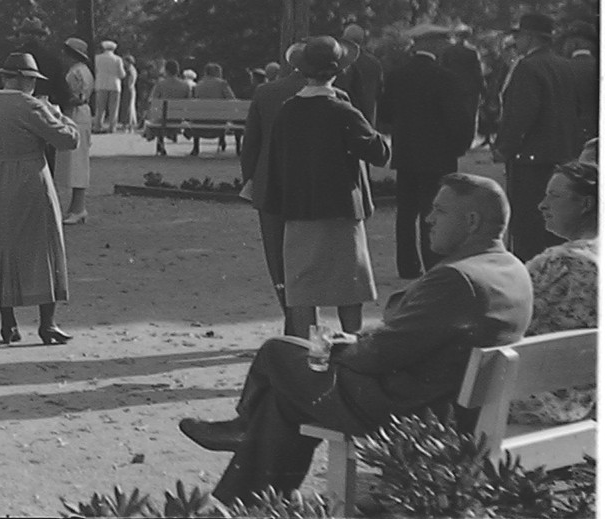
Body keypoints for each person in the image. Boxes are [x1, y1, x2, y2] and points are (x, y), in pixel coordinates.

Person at [180, 174, 532, 503]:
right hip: (451, 405)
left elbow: (379, 356)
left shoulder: (459, 279)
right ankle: (240, 502)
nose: (428, 219)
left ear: (471, 222)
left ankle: (242, 445)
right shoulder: (512, 269)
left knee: (279, 353)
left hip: (409, 413)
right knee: (282, 400)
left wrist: (344, 347)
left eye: (440, 210)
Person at [265, 38, 389, 339]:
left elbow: (275, 162)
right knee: (349, 285)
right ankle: (353, 343)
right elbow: (379, 153)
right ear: (337, 72)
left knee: (303, 288)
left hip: (299, 209)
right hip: (342, 209)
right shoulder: (343, 110)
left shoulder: (287, 111)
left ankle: (305, 347)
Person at [0, 52, 78, 346]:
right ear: (25, 80)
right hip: (31, 176)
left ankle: (8, 324)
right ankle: (47, 323)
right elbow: (68, 140)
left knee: (0, 249)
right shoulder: (31, 107)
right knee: (44, 246)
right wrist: (57, 113)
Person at [376, 25, 477, 279]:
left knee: (406, 211)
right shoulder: (446, 77)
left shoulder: (397, 76)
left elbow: (385, 114)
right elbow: (458, 118)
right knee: (435, 209)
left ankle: (407, 265)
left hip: (406, 152)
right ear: (431, 45)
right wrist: (460, 145)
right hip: (438, 155)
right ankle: (433, 261)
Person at [510, 149, 599, 425]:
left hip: (545, 401)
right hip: (589, 401)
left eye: (554, 196)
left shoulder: (563, 264)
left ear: (585, 204)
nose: (542, 205)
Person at [497, 13, 585, 260]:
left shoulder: (527, 67)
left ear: (530, 37)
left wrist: (504, 147)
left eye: (520, 36)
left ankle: (530, 277)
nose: (517, 42)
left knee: (527, 225)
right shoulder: (566, 66)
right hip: (562, 156)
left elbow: (521, 115)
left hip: (529, 159)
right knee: (556, 221)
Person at [239, 44, 308, 334]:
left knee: (278, 258)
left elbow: (250, 144)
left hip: (271, 184)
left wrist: (252, 180)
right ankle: (306, 319)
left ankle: (292, 318)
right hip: (312, 186)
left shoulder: (266, 93)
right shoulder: (336, 94)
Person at [60, 38, 95, 223]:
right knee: (76, 160)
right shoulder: (82, 70)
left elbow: (75, 97)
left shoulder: (76, 73)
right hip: (80, 113)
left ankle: (79, 207)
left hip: (76, 114)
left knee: (77, 161)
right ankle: (75, 206)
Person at [438, 28, 485, 145]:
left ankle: (453, 138)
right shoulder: (472, 52)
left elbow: (442, 70)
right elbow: (477, 72)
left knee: (453, 114)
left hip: (452, 88)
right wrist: (483, 90)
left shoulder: (448, 51)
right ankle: (468, 140)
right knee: (470, 116)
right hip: (470, 89)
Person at [336, 23, 383, 125]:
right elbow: (379, 92)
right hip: (367, 118)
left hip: (345, 117)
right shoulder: (374, 63)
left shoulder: (341, 62)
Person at [147, 60, 191, 154]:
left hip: (163, 119)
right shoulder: (185, 85)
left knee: (159, 115)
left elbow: (152, 100)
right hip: (179, 118)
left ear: (166, 70)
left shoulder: (160, 84)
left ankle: (160, 142)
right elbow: (189, 102)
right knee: (163, 114)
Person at [91, 40, 124, 134]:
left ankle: (98, 126)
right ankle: (112, 127)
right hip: (114, 85)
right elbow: (121, 74)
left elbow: (95, 70)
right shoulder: (118, 59)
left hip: (101, 84)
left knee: (100, 107)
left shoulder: (97, 58)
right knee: (113, 108)